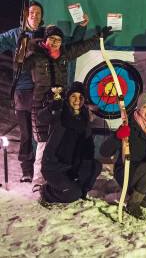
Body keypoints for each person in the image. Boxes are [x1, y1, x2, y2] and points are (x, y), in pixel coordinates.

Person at [0, 1, 89, 183]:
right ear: (25, 15)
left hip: (44, 89)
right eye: (31, 12)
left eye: (38, 12)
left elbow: (70, 44)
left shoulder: (45, 33)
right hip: (24, 89)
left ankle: (48, 167)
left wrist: (81, 28)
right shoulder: (16, 34)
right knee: (26, 132)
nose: (35, 15)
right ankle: (27, 169)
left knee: (49, 131)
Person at [21, 24, 111, 183]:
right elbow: (20, 65)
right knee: (42, 143)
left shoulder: (63, 54)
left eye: (58, 39)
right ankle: (38, 180)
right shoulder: (35, 55)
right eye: (52, 38)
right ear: (45, 39)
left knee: (60, 141)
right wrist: (20, 51)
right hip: (41, 104)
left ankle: (56, 179)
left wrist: (99, 37)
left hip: (61, 105)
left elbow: (81, 47)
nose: (55, 42)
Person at [34, 81, 102, 205]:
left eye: (81, 97)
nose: (77, 100)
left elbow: (88, 143)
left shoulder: (84, 117)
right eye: (74, 96)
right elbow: (40, 118)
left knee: (95, 166)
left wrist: (86, 164)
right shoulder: (60, 112)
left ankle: (82, 192)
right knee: (72, 194)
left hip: (71, 165)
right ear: (68, 97)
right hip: (53, 166)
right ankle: (46, 191)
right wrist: (51, 108)